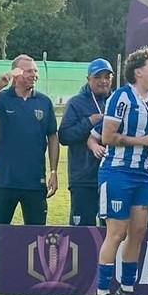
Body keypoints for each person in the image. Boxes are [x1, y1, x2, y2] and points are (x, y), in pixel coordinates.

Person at [0, 55, 59, 295]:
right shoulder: (2, 99)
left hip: (34, 181)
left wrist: (53, 171)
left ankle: (37, 278)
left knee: (37, 231)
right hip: (3, 181)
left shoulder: (44, 102)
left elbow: (53, 137)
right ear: (17, 74)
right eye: (29, 71)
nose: (34, 75)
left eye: (35, 71)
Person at [92, 48, 148, 295]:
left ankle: (126, 288)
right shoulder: (121, 97)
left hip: (143, 174)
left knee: (137, 232)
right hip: (118, 173)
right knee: (116, 233)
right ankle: (101, 292)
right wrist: (142, 142)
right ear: (138, 72)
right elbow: (107, 137)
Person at [58, 59, 114, 226]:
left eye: (107, 77)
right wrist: (89, 122)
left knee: (111, 230)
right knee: (81, 232)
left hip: (113, 175)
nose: (103, 81)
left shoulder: (118, 101)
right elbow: (64, 136)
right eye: (98, 77)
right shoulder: (76, 103)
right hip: (84, 177)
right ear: (88, 78)